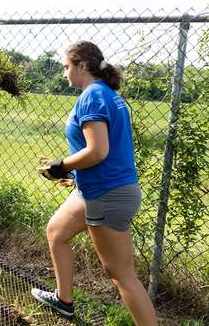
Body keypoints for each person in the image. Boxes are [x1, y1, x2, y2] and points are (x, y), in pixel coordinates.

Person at [31, 41, 158, 325]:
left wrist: (61, 165)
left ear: (82, 66)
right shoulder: (107, 95)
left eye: (67, 67)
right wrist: (73, 173)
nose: (65, 74)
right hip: (95, 189)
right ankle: (64, 301)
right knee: (57, 231)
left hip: (107, 194)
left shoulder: (93, 96)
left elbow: (98, 151)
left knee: (121, 275)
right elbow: (104, 152)